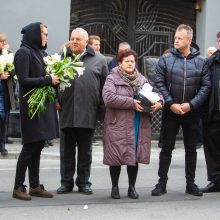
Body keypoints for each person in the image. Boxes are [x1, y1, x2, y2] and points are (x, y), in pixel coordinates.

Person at [151, 24, 210, 197]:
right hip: (171, 111)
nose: (176, 40)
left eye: (180, 38)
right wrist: (171, 103)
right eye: (175, 38)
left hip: (192, 112)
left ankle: (190, 184)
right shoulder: (166, 59)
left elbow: (206, 87)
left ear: (189, 40)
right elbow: (159, 82)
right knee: (166, 148)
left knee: (191, 149)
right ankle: (161, 183)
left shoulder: (201, 62)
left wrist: (190, 105)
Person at [102, 49, 163, 199]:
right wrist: (132, 103)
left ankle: (132, 188)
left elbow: (157, 93)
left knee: (134, 156)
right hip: (118, 123)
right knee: (116, 156)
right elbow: (108, 98)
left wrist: (160, 102)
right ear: (120, 63)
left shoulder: (141, 79)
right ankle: (114, 188)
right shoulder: (112, 78)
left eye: (132, 61)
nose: (130, 64)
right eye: (127, 61)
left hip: (137, 122)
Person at [56, 27, 108, 195]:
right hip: (67, 111)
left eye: (78, 39)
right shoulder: (61, 58)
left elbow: (104, 88)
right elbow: (53, 83)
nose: (74, 41)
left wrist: (102, 112)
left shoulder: (100, 60)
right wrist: (56, 99)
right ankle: (66, 183)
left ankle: (84, 182)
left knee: (85, 152)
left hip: (88, 112)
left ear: (86, 42)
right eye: (72, 38)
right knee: (66, 151)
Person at [13, 22, 60, 200]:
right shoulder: (23, 53)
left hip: (42, 106)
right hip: (31, 107)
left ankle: (34, 185)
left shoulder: (41, 53)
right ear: (34, 34)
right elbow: (24, 80)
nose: (47, 37)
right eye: (44, 34)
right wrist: (48, 80)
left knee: (38, 144)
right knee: (30, 146)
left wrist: (56, 96)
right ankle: (18, 186)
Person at [201, 32, 220, 193]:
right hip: (214, 112)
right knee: (213, 148)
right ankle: (216, 181)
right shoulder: (210, 62)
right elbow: (204, 87)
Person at [0, 32, 16, 155]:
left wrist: (8, 72)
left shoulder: (9, 55)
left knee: (4, 118)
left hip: (5, 92)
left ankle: (2, 145)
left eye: (5, 41)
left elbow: (14, 71)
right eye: (2, 42)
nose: (5, 43)